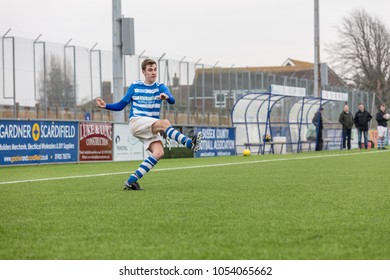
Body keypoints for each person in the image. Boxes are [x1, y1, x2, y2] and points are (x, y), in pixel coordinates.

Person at [96, 58, 203, 190]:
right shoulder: (135, 86)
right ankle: (189, 143)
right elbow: (120, 105)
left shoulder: (160, 87)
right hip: (137, 122)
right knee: (165, 123)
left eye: (155, 69)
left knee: (158, 153)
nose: (153, 72)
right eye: (150, 70)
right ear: (144, 72)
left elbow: (172, 100)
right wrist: (105, 105)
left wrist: (166, 96)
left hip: (150, 126)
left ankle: (131, 182)